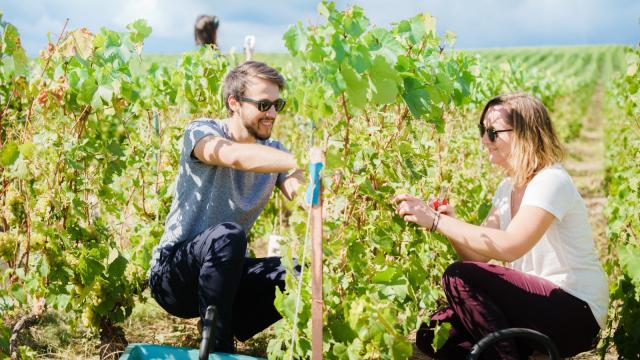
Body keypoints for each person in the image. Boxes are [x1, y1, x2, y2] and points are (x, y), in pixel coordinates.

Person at [393, 93, 608, 359]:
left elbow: (511, 247)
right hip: (535, 307)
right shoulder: (506, 188)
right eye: (482, 130)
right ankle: (513, 353)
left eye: (493, 132)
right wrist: (450, 223)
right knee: (433, 333)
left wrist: (437, 221)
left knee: (457, 276)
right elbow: (479, 255)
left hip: (575, 311)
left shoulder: (551, 181)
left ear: (525, 134)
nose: (485, 139)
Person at [148, 61, 309, 353]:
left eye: (277, 105)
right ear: (233, 102)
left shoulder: (276, 154)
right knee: (228, 236)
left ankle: (225, 325)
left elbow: (300, 193)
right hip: (173, 276)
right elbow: (233, 156)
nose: (272, 114)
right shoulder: (201, 131)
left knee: (300, 273)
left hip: (225, 275)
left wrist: (326, 185)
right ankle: (220, 349)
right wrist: (299, 161)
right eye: (263, 104)